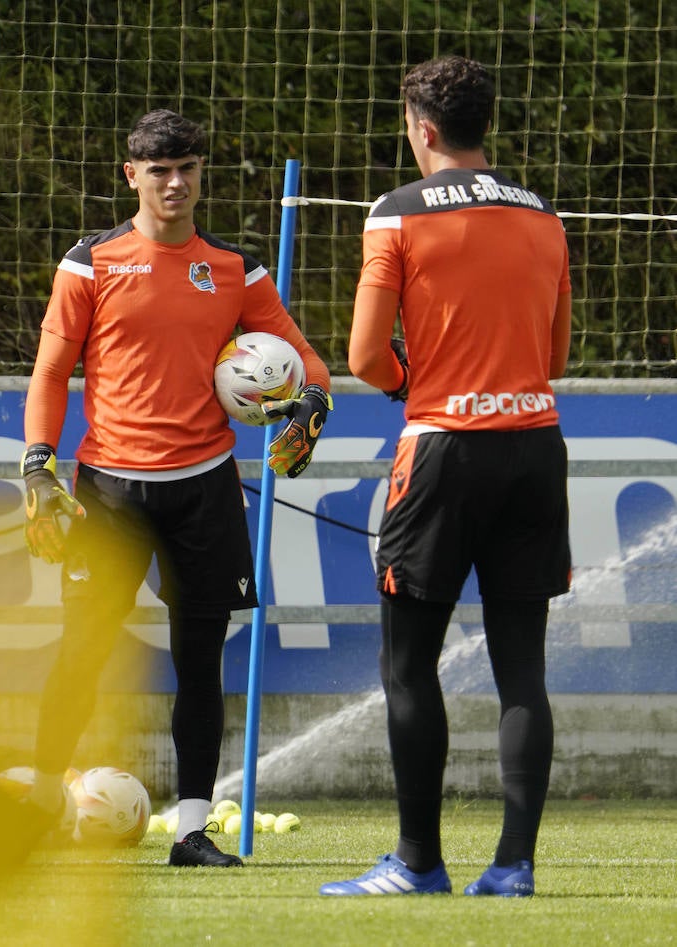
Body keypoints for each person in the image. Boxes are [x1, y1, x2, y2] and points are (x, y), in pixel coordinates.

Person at [17, 109, 332, 868]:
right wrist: (36, 463)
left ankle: (191, 830)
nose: (175, 183)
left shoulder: (235, 269)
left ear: (200, 174)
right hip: (108, 494)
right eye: (159, 170)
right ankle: (37, 810)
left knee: (200, 660)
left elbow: (310, 368)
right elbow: (52, 373)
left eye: (188, 167)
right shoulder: (89, 263)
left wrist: (311, 409)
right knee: (81, 652)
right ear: (131, 175)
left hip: (204, 489)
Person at [321, 55, 571, 897]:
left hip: (442, 449)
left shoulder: (395, 215)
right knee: (522, 671)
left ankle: (418, 863)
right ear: (481, 125)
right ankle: (514, 867)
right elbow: (557, 356)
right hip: (536, 445)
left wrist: (413, 384)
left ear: (421, 129)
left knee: (407, 665)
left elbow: (362, 357)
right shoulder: (545, 215)